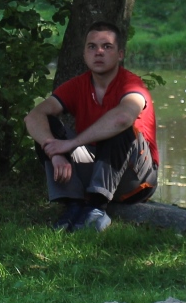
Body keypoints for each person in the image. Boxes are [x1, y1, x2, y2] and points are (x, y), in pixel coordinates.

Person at [23, 21, 158, 233]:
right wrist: (54, 151)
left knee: (120, 127)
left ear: (120, 54)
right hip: (96, 167)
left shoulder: (132, 85)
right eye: (92, 47)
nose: (99, 52)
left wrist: (72, 143)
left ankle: (97, 207)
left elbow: (123, 118)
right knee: (47, 126)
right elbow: (33, 116)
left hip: (136, 179)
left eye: (107, 47)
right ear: (84, 54)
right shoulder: (78, 85)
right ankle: (73, 205)